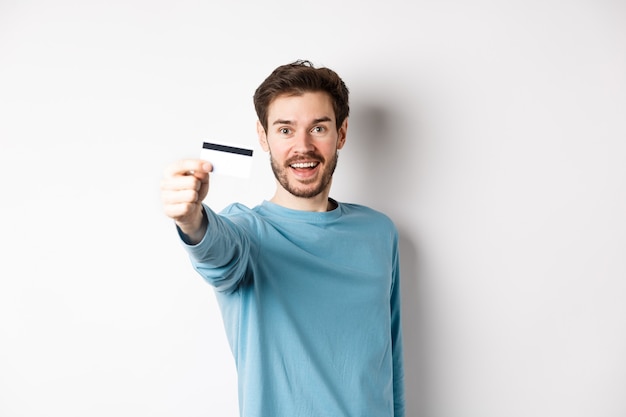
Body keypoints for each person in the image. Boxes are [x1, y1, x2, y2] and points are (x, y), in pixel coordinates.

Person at [160, 60, 405, 416]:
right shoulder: (245, 231)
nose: (302, 146)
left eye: (318, 128)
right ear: (264, 137)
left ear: (342, 133)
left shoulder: (379, 232)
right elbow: (218, 253)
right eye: (285, 130)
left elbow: (391, 363)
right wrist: (191, 219)